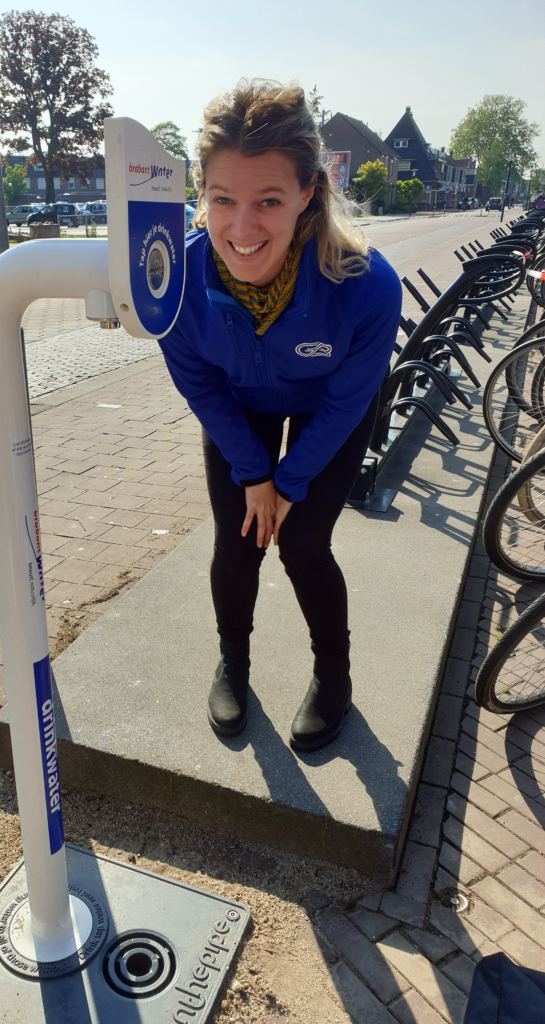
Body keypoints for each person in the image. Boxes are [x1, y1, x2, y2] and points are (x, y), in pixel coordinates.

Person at [157, 80, 401, 751]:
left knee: (301, 543)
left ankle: (334, 677)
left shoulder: (367, 285)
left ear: (309, 194)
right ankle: (233, 664)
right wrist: (253, 471)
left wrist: (289, 482)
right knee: (237, 544)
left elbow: (351, 400)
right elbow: (201, 385)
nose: (241, 229)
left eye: (269, 201)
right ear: (200, 193)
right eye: (221, 200)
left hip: (328, 410)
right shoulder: (172, 280)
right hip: (239, 408)